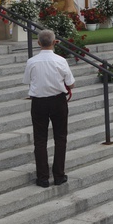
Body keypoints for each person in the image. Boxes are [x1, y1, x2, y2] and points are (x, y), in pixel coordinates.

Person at [22, 29, 75, 188]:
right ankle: (59, 175)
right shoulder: (61, 60)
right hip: (58, 100)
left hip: (38, 102)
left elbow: (27, 80)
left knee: (40, 139)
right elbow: (71, 83)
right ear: (54, 42)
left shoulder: (32, 61)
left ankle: (43, 177)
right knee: (60, 138)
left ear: (38, 43)